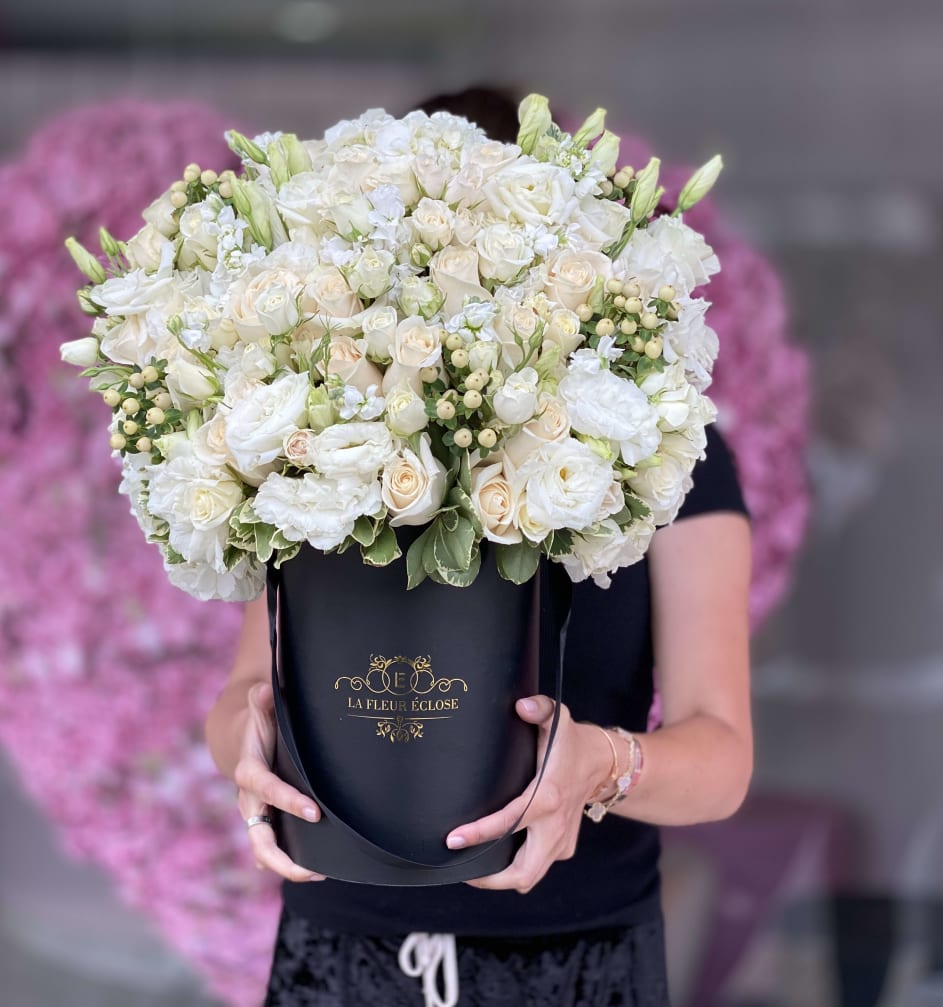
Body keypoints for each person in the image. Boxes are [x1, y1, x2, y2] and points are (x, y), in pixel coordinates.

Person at [203, 86, 754, 1007]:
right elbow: (238, 694)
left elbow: (722, 757)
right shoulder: (315, 440)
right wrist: (244, 747)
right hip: (340, 948)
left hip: (577, 955)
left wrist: (602, 765)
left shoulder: (662, 447)